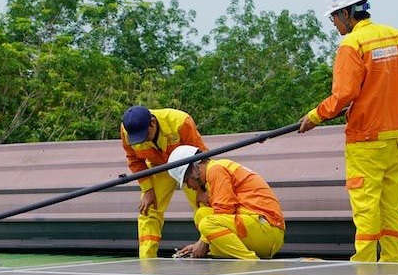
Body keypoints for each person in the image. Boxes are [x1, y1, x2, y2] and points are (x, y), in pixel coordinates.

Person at [297, 0, 398, 262]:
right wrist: (384, 89)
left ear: (346, 13)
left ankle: (366, 269)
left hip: (365, 140)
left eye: (334, 16)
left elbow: (344, 93)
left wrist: (314, 116)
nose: (333, 23)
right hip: (393, 138)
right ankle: (392, 264)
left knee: (366, 207)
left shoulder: (352, 44)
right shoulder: (394, 36)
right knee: (389, 208)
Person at [166, 145, 286, 260]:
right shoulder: (217, 168)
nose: (190, 187)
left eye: (186, 181)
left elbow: (224, 211)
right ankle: (222, 253)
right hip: (260, 228)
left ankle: (250, 261)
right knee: (201, 214)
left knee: (207, 223)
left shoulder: (216, 170)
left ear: (193, 171)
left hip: (268, 231)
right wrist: (199, 245)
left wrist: (202, 242)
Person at [120, 105, 207, 258]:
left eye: (144, 134)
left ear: (152, 122)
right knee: (148, 210)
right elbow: (134, 160)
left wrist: (201, 189)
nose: (143, 139)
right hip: (158, 168)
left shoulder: (180, 121)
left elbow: (200, 158)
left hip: (188, 169)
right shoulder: (127, 130)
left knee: (205, 204)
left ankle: (207, 245)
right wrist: (147, 190)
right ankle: (146, 259)